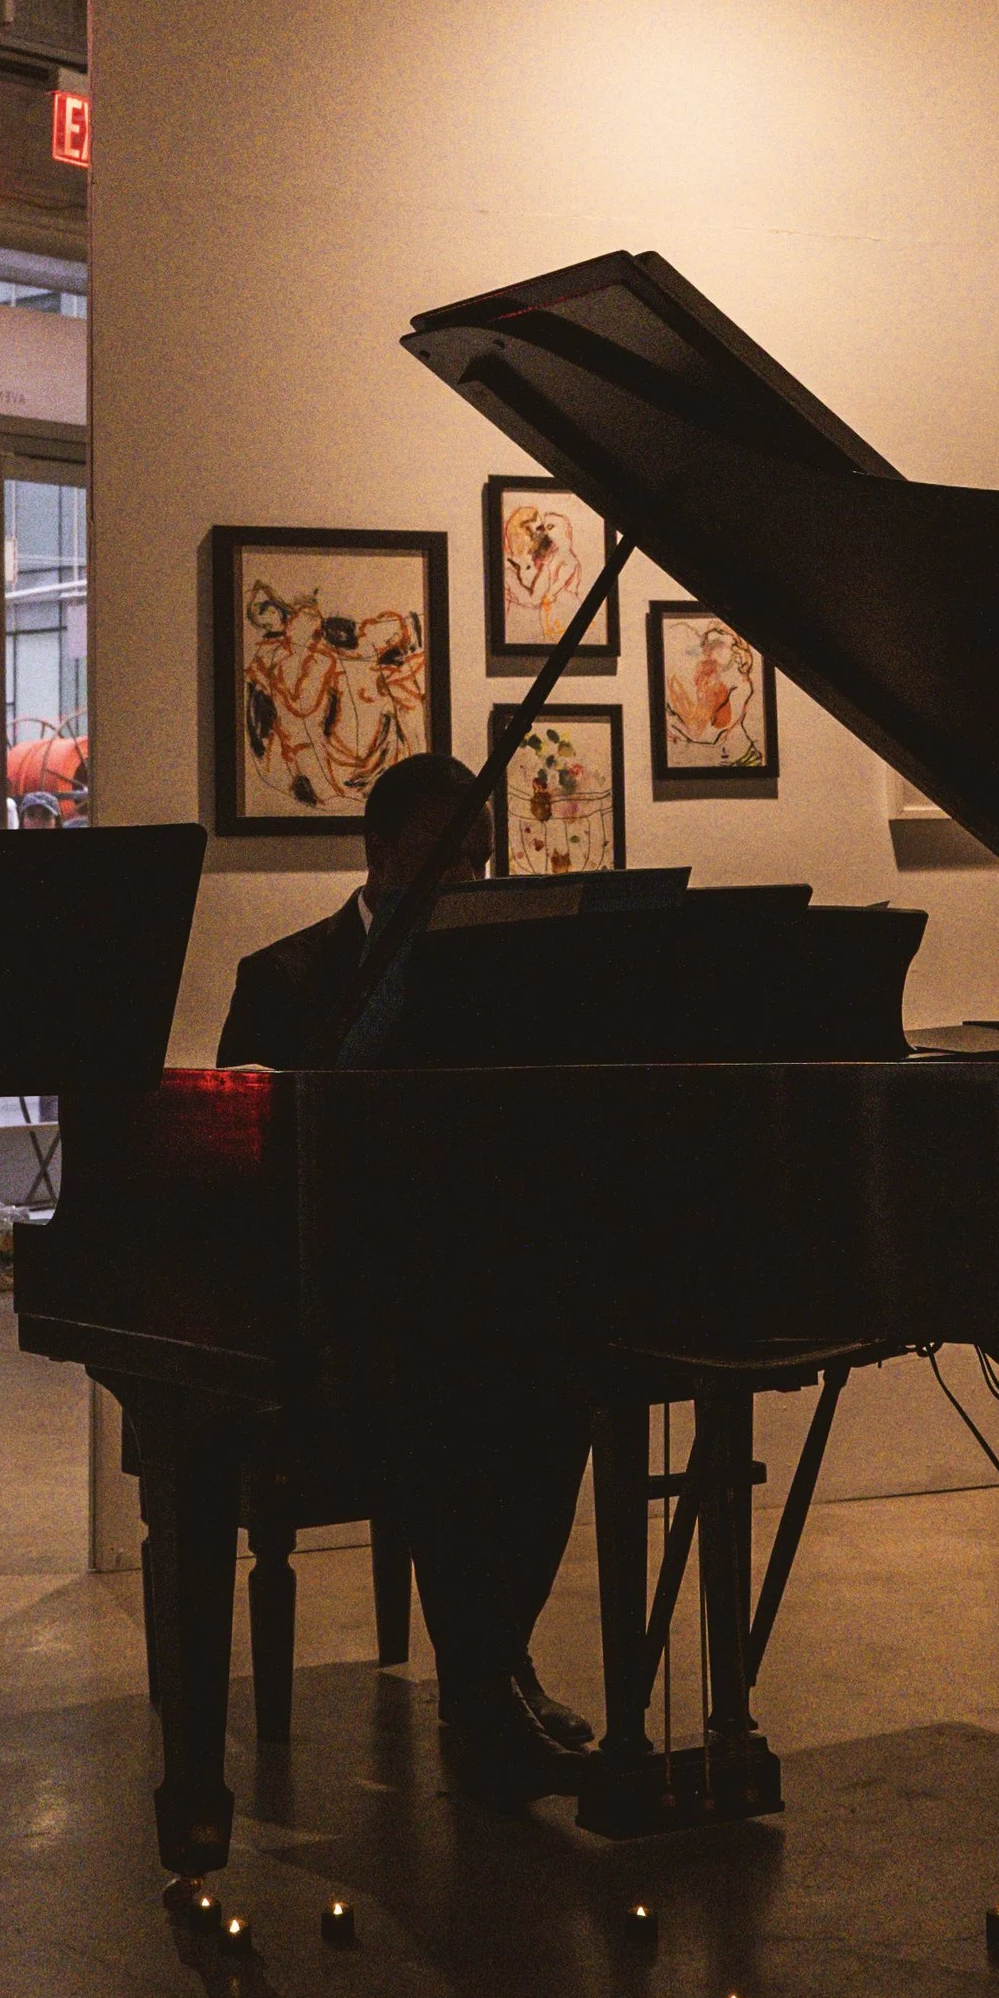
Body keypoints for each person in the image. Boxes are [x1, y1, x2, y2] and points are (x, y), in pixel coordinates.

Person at [215, 750, 595, 1803]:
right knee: (451, 1397)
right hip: (330, 1299)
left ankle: (492, 1672)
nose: (464, 883)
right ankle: (486, 1692)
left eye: (476, 859)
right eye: (439, 858)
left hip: (465, 1280)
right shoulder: (283, 977)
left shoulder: (511, 980)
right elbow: (249, 1174)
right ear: (375, 853)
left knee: (565, 1390)